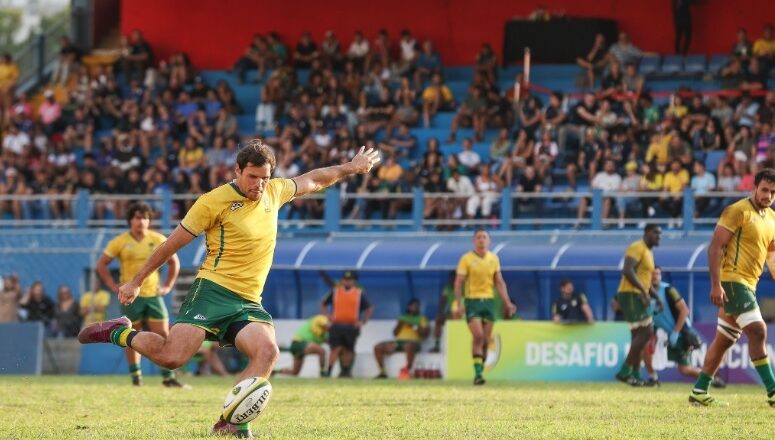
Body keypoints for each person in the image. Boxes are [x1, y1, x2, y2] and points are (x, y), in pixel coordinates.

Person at [79, 139, 380, 437]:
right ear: (237, 170)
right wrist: (136, 280)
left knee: (267, 351)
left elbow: (314, 179)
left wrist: (351, 168)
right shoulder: (213, 201)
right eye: (252, 177)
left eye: (265, 178)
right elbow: (170, 245)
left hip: (248, 301)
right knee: (173, 357)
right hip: (212, 290)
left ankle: (232, 422)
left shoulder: (274, 192)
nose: (259, 185)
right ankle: (118, 331)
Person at [689, 168, 775, 407]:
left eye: (773, 192)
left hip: (749, 283)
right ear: (754, 188)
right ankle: (773, 391)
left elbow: (772, 256)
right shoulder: (737, 211)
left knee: (724, 340)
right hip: (732, 281)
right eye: (765, 190)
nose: (768, 196)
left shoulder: (772, 219)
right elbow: (714, 247)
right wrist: (716, 284)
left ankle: (699, 391)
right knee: (758, 331)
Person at [95, 202, 184, 388]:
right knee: (131, 336)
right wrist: (113, 286)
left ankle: (168, 378)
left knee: (163, 334)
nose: (141, 221)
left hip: (153, 295)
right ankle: (136, 378)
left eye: (145, 217)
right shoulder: (119, 241)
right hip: (129, 297)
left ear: (149, 220)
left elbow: (174, 263)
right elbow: (101, 265)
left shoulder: (158, 239)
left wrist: (167, 286)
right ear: (130, 220)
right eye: (137, 217)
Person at [452, 229, 517, 385]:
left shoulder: (493, 259)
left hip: (489, 301)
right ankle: (478, 374)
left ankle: (480, 366)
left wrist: (507, 302)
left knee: (486, 340)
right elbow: (459, 282)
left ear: (489, 241)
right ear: (474, 241)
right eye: (478, 237)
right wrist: (459, 303)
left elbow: (499, 282)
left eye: (484, 237)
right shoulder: (466, 259)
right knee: (478, 336)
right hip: (472, 301)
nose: (481, 240)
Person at [646, 267, 726, 388]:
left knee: (685, 369)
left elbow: (684, 310)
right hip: (667, 334)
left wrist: (676, 332)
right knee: (646, 351)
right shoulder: (646, 293)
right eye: (652, 274)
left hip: (681, 333)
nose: (655, 276)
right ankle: (652, 378)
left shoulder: (668, 290)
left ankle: (712, 378)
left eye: (657, 273)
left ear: (661, 276)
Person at [614, 224, 663, 386]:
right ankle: (624, 371)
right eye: (656, 232)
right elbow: (627, 270)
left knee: (638, 336)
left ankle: (634, 374)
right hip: (630, 294)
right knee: (646, 332)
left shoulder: (649, 252)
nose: (659, 236)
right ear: (648, 233)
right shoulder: (637, 247)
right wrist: (643, 292)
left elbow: (645, 281)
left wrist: (657, 297)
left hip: (637, 294)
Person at [320, 270, 374, 378]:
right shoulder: (335, 291)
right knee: (335, 348)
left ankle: (346, 371)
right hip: (336, 325)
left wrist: (362, 321)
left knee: (348, 349)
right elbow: (323, 304)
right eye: (345, 279)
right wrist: (327, 316)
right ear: (342, 280)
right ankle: (329, 371)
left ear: (354, 281)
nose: (347, 282)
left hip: (351, 326)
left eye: (350, 280)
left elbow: (369, 308)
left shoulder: (358, 293)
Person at [374, 298, 429, 379]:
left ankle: (407, 370)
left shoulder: (422, 318)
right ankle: (382, 372)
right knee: (378, 347)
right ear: (408, 307)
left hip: (413, 342)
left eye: (417, 306)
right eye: (413, 306)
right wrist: (400, 324)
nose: (415, 308)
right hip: (399, 342)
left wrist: (414, 326)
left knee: (408, 345)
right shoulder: (402, 317)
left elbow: (425, 334)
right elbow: (395, 333)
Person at [431, 271, 459, 352]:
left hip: (463, 313)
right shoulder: (447, 288)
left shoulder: (463, 287)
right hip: (451, 313)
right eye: (450, 278)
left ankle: (458, 345)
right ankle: (436, 345)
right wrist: (440, 312)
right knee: (438, 319)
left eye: (454, 278)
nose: (452, 280)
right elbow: (442, 301)